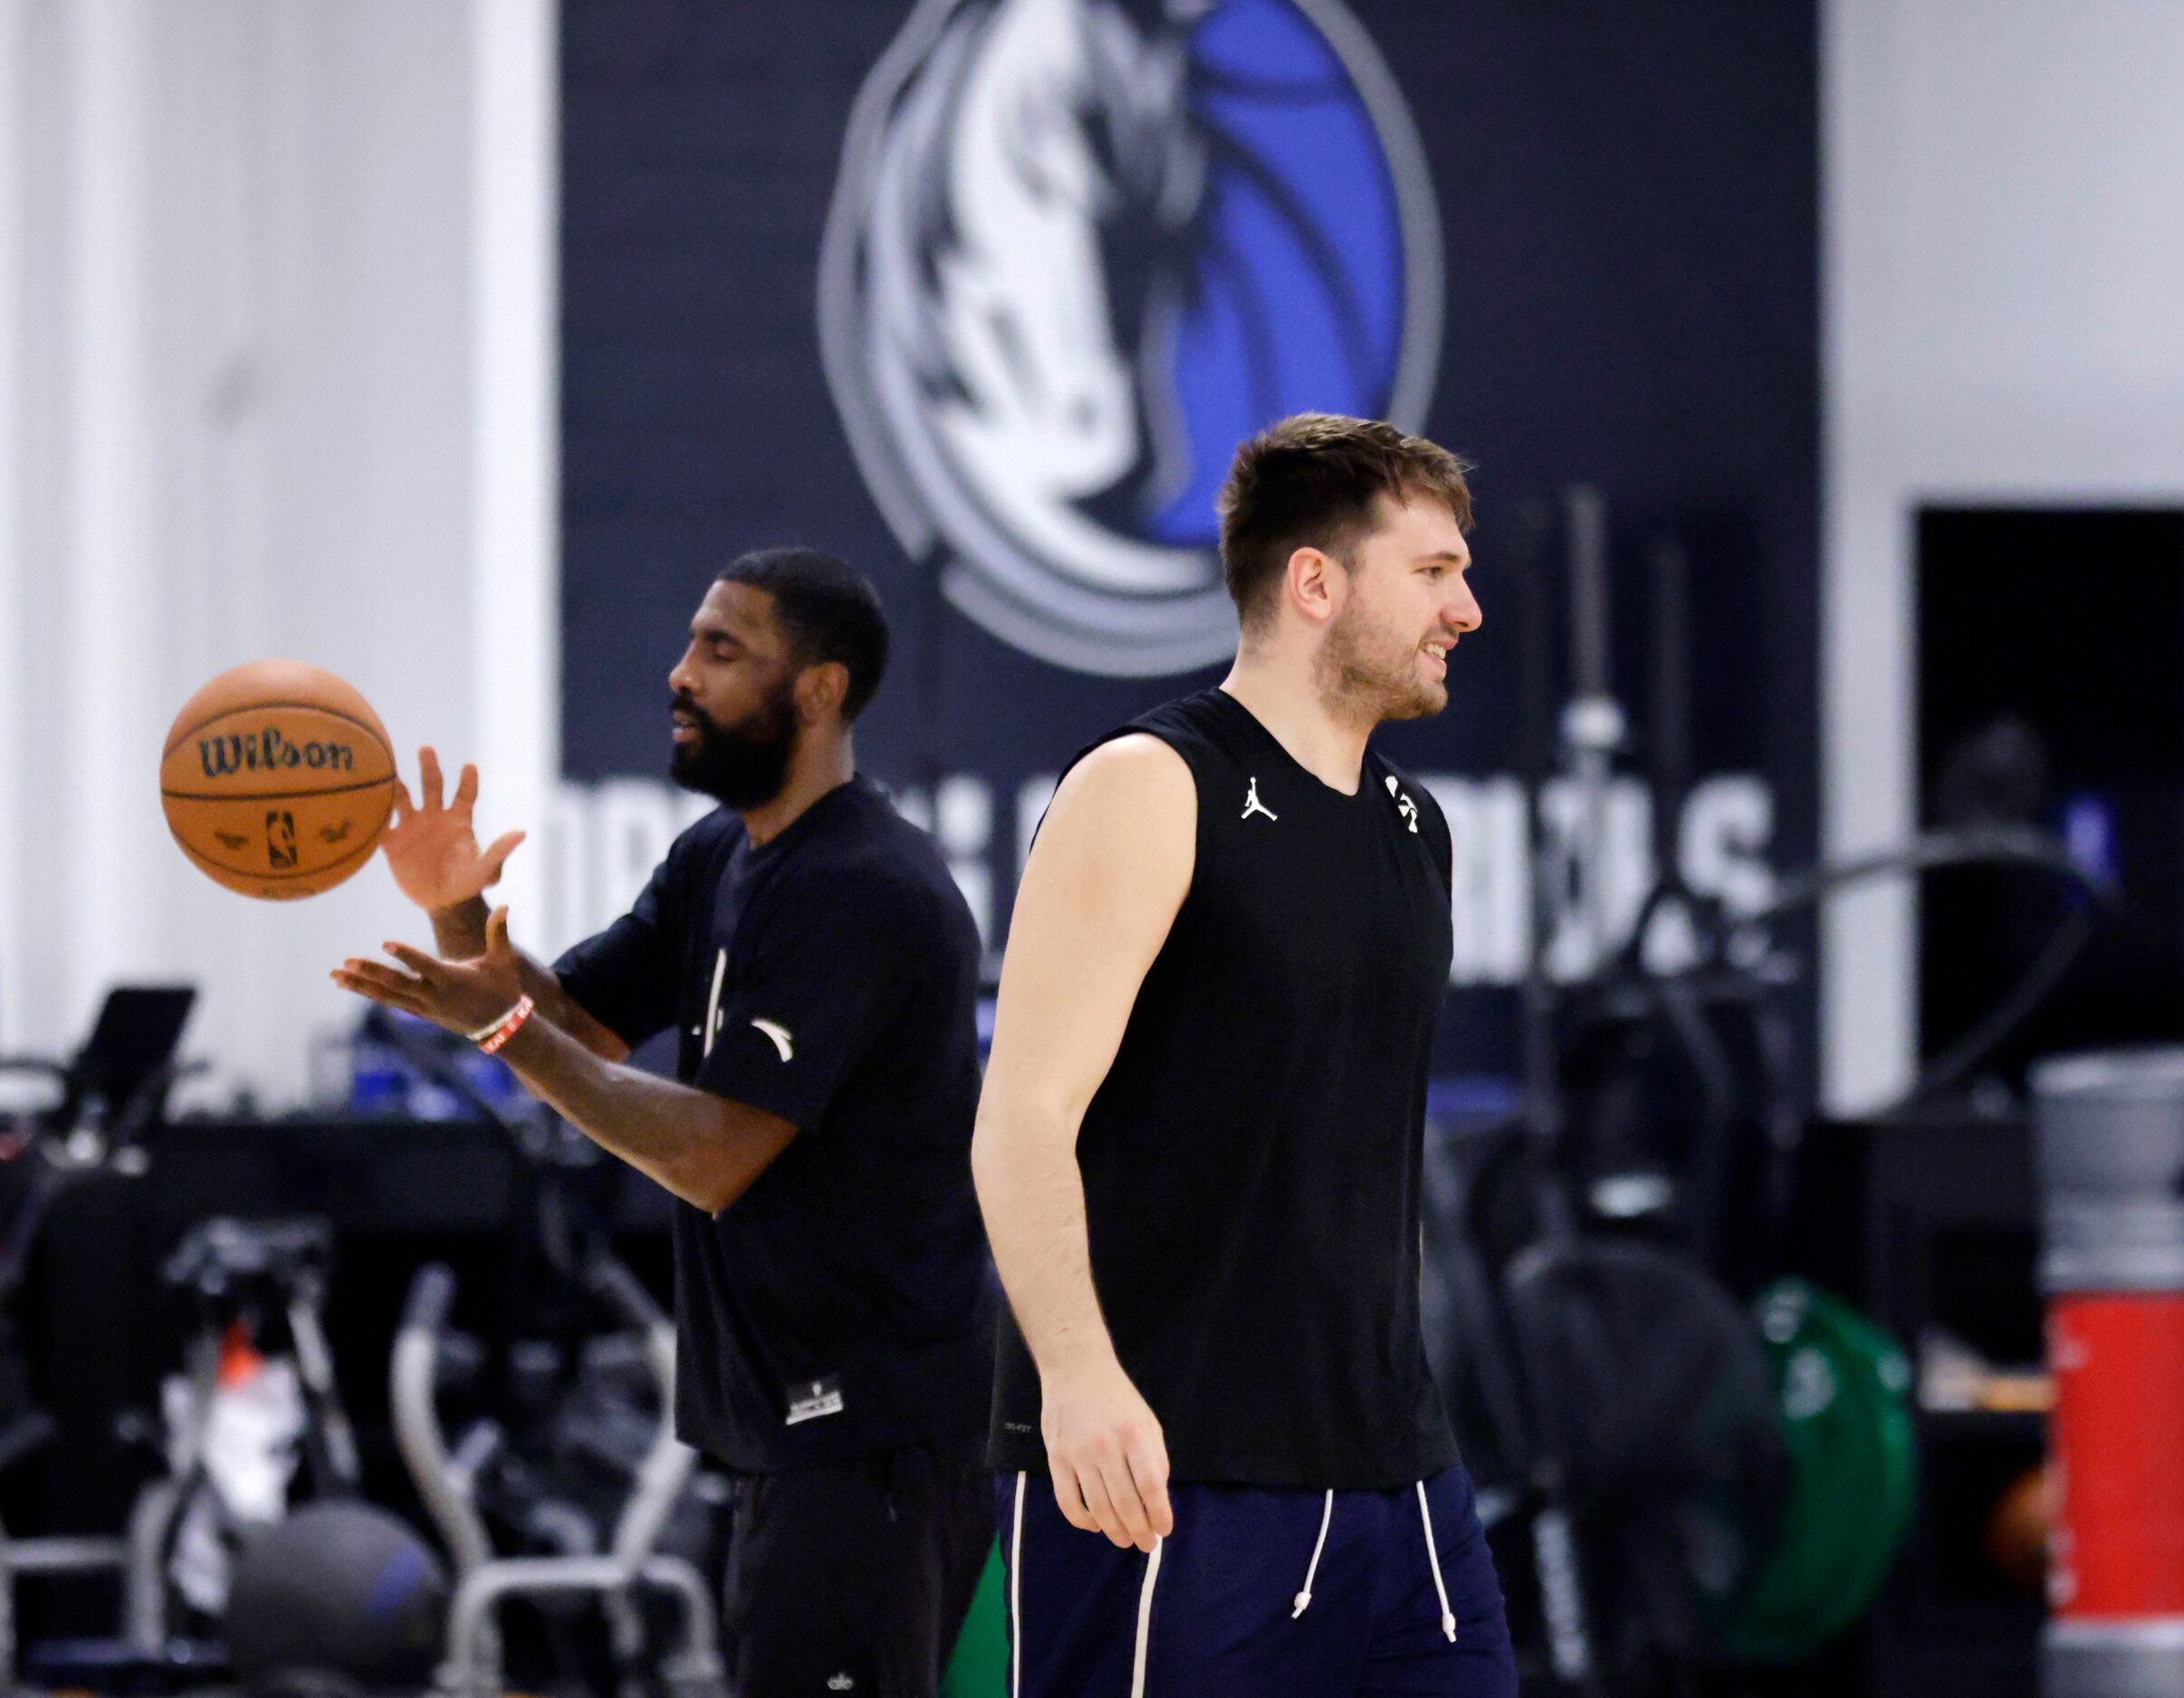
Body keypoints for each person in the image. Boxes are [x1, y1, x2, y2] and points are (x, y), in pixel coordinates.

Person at [332, 548, 995, 1697]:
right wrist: (456, 909)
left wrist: (502, 1035)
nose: (681, 674)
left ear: (821, 690)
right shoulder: (721, 858)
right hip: (790, 1432)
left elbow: (712, 1155)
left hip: (873, 1430)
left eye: (722, 651)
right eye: (691, 642)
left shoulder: (866, 887)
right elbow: (579, 1021)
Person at [972, 415, 1515, 1695]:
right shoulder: (1151, 785)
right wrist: (1080, 1374)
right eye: (1434, 571)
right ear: (1315, 582)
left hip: (1400, 1475)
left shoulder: (1411, 825)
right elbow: (1021, 1117)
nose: (1469, 609)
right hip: (1170, 1469)